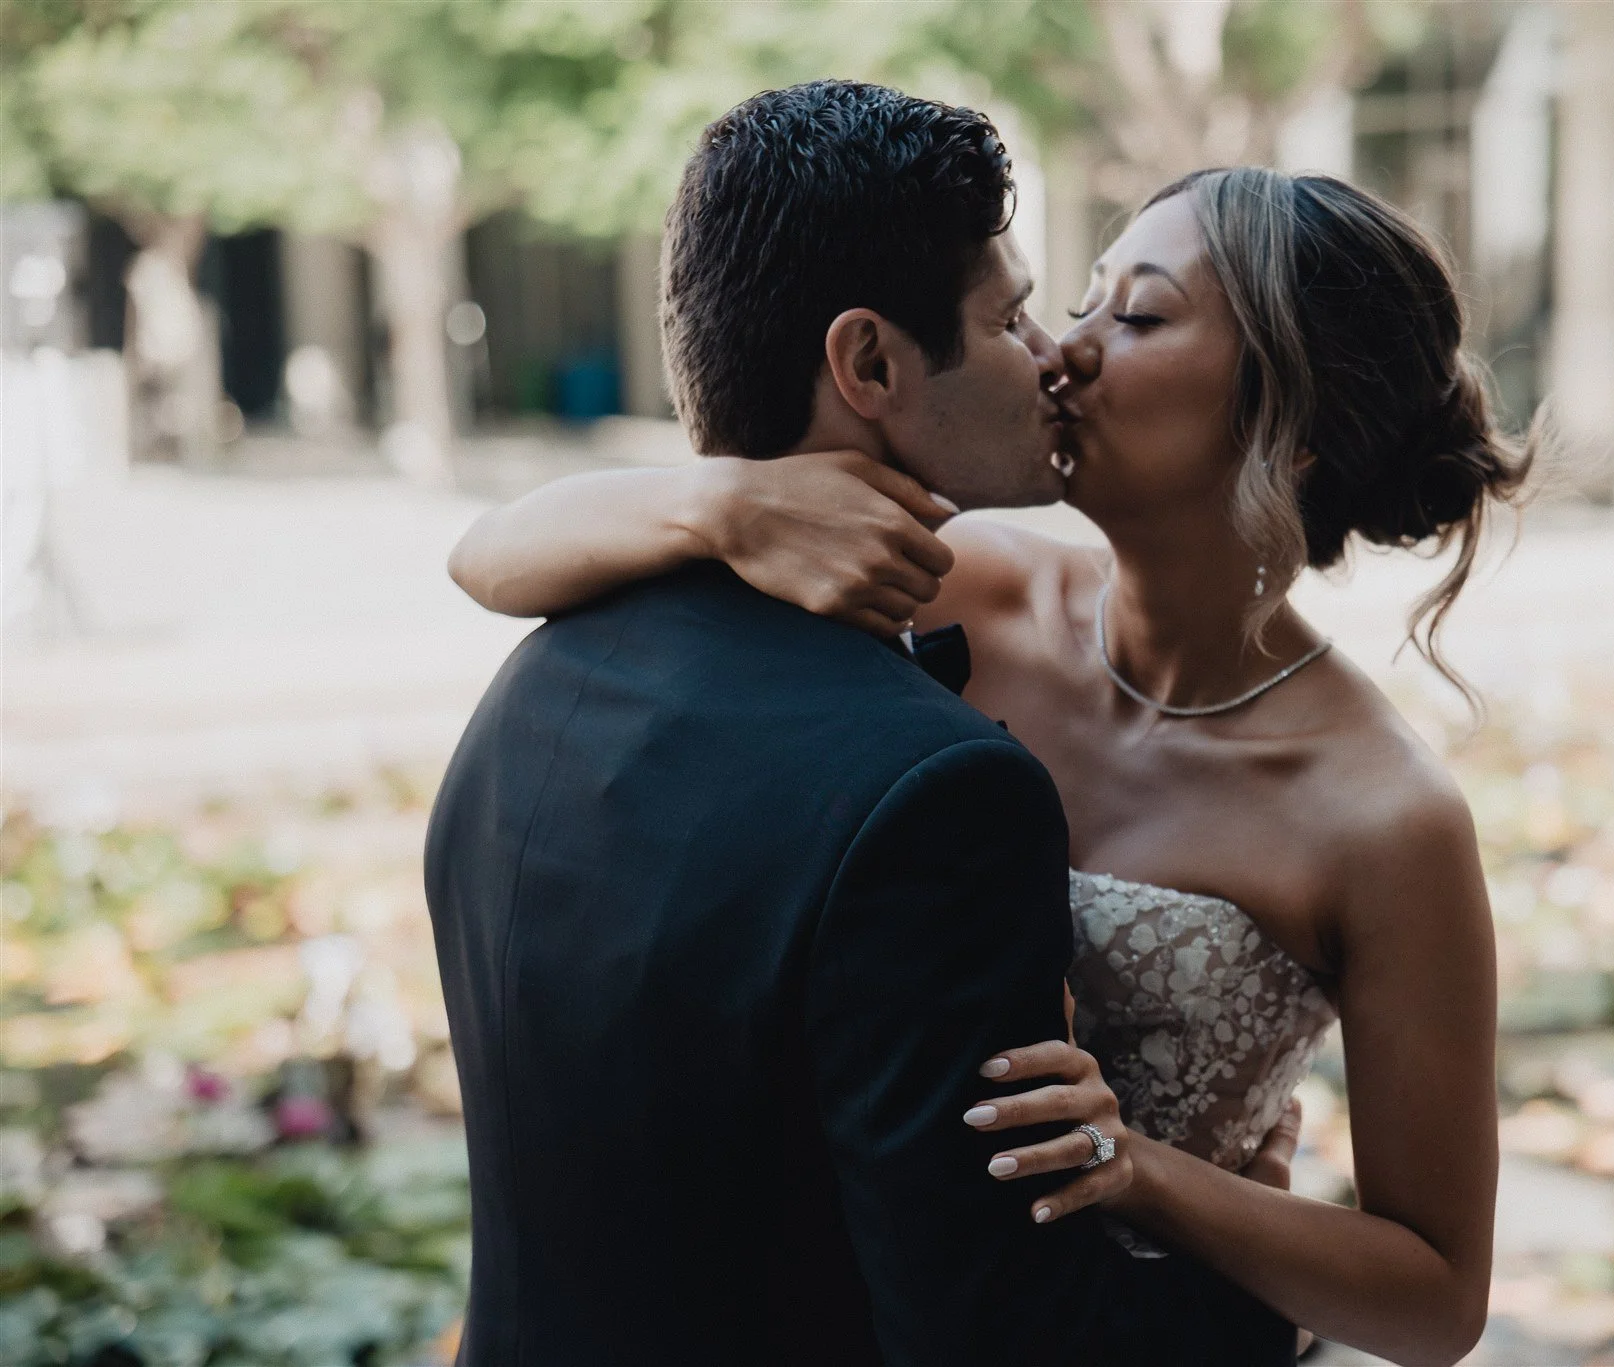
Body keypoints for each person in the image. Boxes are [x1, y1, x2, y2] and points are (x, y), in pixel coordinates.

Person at [454, 151, 1530, 1363]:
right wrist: (725, 504)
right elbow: (493, 556)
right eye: (1079, 299)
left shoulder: (1382, 816)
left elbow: (1436, 1298)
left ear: (1295, 422)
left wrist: (1145, 1173)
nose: (1063, 349)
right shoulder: (953, 575)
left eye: (1137, 317)